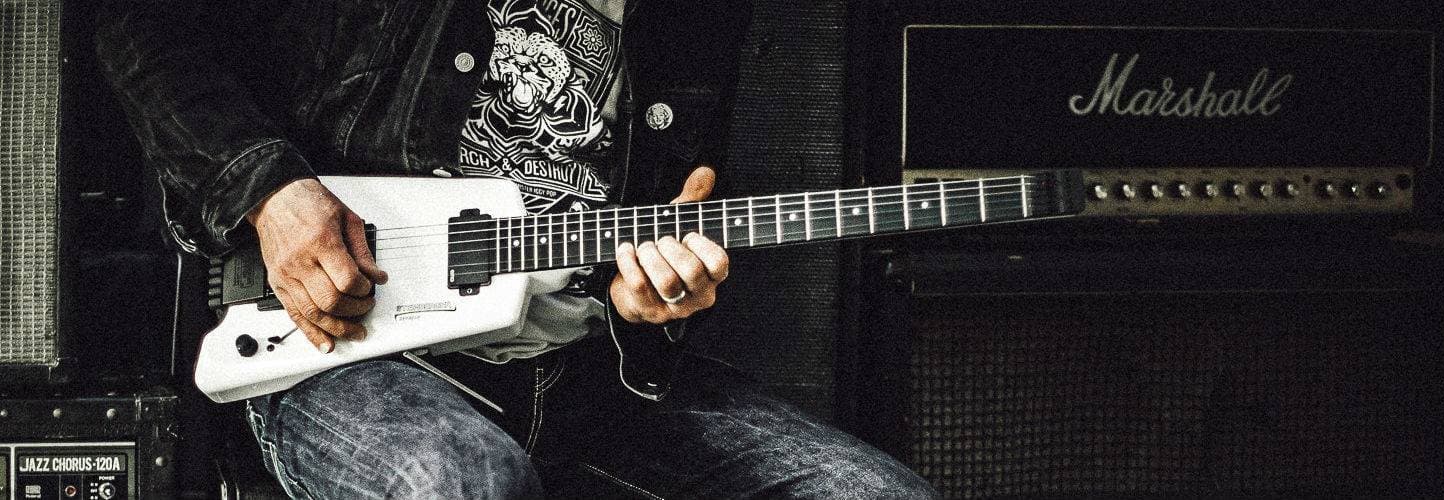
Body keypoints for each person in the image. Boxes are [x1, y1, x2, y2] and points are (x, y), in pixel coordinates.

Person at [98, 1, 937, 497]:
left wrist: (651, 306)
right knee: (462, 483)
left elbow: (659, 229)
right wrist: (270, 193)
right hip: (345, 355)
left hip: (582, 366)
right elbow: (146, 27)